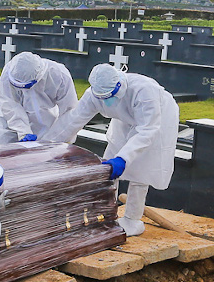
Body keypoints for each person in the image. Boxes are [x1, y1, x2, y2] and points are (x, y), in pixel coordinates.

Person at [41, 64, 180, 237]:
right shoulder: (94, 95)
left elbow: (146, 130)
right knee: (109, 162)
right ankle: (105, 212)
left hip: (156, 120)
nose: (107, 100)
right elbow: (74, 120)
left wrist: (124, 158)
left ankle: (132, 219)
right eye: (103, 97)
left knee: (143, 168)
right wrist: (46, 145)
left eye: (110, 96)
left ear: (119, 85)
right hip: (124, 120)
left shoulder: (143, 91)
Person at [0, 52, 78, 144]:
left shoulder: (59, 75)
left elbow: (69, 110)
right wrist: (23, 131)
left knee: (46, 153)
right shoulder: (10, 71)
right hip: (10, 123)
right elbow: (10, 104)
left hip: (47, 121)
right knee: (5, 154)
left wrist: (64, 137)